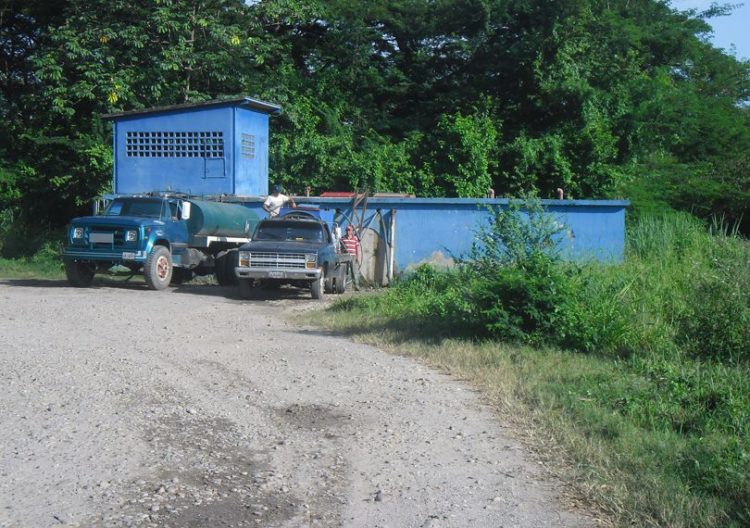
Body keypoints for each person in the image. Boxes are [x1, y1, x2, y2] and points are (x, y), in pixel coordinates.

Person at [340, 224, 361, 289]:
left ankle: (356, 286)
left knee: (354, 271)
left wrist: (357, 257)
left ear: (352, 231)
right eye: (346, 230)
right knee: (345, 271)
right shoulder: (342, 238)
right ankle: (344, 286)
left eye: (349, 230)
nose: (347, 231)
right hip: (345, 256)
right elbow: (340, 248)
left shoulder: (355, 238)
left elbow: (357, 248)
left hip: (353, 256)